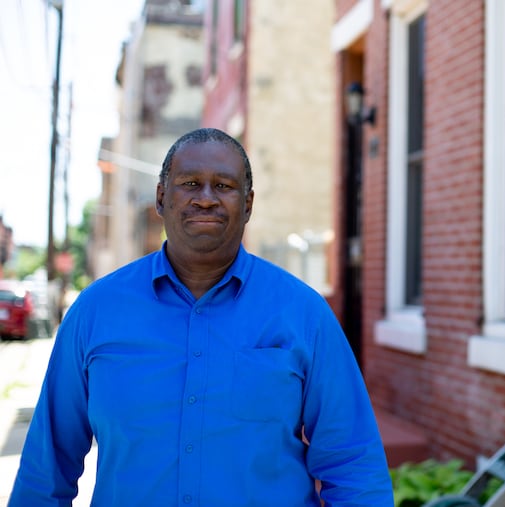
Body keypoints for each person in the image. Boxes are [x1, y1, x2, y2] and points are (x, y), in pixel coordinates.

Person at [9, 128, 394, 506]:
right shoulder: (95, 313)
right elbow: (47, 471)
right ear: (161, 198)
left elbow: (354, 466)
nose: (206, 199)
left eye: (224, 186)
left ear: (248, 204)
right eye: (190, 183)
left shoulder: (304, 315)